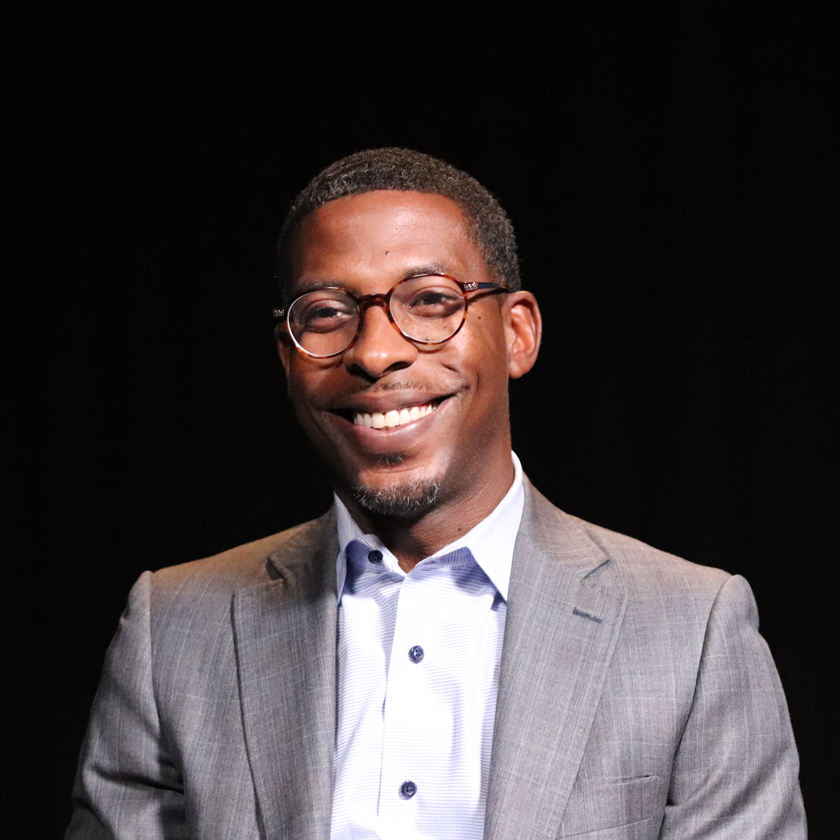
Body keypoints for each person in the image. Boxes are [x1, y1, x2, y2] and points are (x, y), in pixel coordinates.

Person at [67, 148, 805, 839]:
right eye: (325, 312)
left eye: (429, 300)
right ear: (286, 357)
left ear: (517, 333)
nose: (375, 351)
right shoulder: (173, 631)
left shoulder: (693, 631)